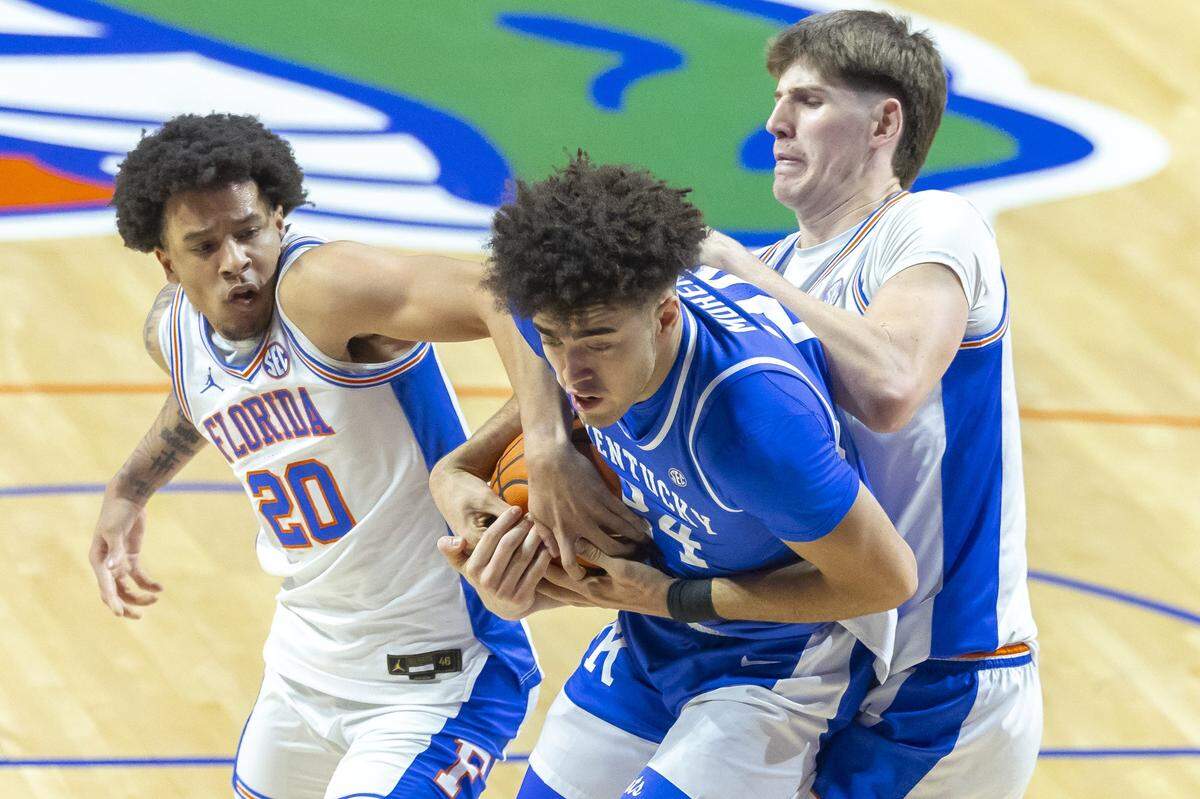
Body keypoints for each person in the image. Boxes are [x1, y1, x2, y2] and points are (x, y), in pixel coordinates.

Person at [85, 113, 641, 799]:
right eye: (204, 246)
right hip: (302, 668)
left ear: (279, 218)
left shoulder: (321, 290)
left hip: (438, 677)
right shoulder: (173, 331)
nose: (235, 260)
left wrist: (547, 439)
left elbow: (502, 293)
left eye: (249, 230)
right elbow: (201, 396)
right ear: (167, 263)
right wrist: (129, 489)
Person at [431, 153, 917, 799]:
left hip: (781, 654)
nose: (572, 373)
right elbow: (534, 343)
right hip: (653, 632)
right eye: (554, 339)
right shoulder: (562, 301)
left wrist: (669, 597)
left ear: (664, 313)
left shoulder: (752, 423)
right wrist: (496, 464)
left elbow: (885, 580)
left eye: (600, 342)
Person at [698, 11, 1041, 798]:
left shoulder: (931, 224)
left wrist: (743, 276)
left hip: (946, 672)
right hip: (827, 662)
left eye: (809, 101)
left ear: (886, 120)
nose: (775, 122)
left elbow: (891, 386)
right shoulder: (778, 265)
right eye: (781, 99)